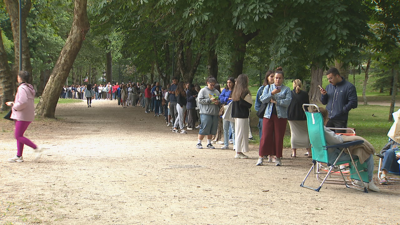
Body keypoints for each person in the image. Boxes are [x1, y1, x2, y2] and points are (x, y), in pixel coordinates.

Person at [319, 107, 380, 192]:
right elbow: (338, 140)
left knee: (358, 151)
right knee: (365, 153)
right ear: (324, 118)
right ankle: (369, 181)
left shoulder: (313, 129)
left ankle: (359, 180)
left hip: (319, 156)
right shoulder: (323, 130)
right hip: (332, 157)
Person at [257, 67, 292, 166]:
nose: (277, 80)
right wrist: (272, 94)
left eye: (280, 78)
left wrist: (277, 101)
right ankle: (261, 156)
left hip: (280, 116)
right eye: (276, 78)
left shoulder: (286, 89)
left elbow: (287, 102)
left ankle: (278, 157)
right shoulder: (268, 88)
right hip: (268, 115)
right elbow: (263, 99)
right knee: (265, 136)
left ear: (283, 79)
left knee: (278, 137)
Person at [6, 71, 43, 163]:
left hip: (21, 115)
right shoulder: (29, 88)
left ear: (20, 78)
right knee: (20, 135)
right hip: (27, 115)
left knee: (17, 136)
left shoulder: (22, 88)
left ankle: (36, 148)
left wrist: (14, 105)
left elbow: (23, 102)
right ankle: (19, 155)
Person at [320, 67, 358, 132]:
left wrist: (343, 110)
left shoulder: (349, 87)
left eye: (331, 78)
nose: (329, 80)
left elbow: (353, 102)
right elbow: (324, 102)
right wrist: (324, 95)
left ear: (337, 76)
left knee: (339, 139)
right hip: (328, 118)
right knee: (328, 139)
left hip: (340, 119)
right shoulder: (329, 87)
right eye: (328, 79)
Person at [287, 79, 311, 158]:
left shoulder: (290, 93)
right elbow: (307, 105)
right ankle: (308, 151)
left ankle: (294, 152)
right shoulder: (305, 94)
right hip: (303, 116)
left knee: (293, 133)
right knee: (305, 133)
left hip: (292, 116)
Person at [231, 74, 253, 159]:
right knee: (241, 133)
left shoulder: (236, 91)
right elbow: (249, 104)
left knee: (238, 132)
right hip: (242, 115)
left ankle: (239, 150)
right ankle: (238, 151)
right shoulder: (245, 92)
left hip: (237, 114)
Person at [196, 77, 220, 149]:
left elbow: (220, 100)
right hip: (205, 112)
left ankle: (209, 143)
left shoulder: (216, 92)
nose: (212, 86)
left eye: (214, 85)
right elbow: (199, 100)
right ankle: (199, 142)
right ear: (207, 83)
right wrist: (209, 100)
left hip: (214, 112)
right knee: (205, 127)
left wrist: (218, 102)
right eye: (211, 85)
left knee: (212, 128)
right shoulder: (203, 91)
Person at [255, 70, 274, 139]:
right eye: (271, 76)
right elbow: (257, 104)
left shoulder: (279, 89)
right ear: (267, 78)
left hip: (274, 115)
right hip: (264, 116)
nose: (273, 78)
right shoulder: (262, 89)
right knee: (264, 137)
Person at [220, 77, 235, 150]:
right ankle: (226, 143)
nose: (228, 84)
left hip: (233, 109)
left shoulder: (235, 90)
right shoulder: (225, 90)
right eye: (227, 82)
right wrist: (227, 99)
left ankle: (235, 144)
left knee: (233, 128)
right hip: (226, 109)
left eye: (230, 82)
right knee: (225, 127)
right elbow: (221, 98)